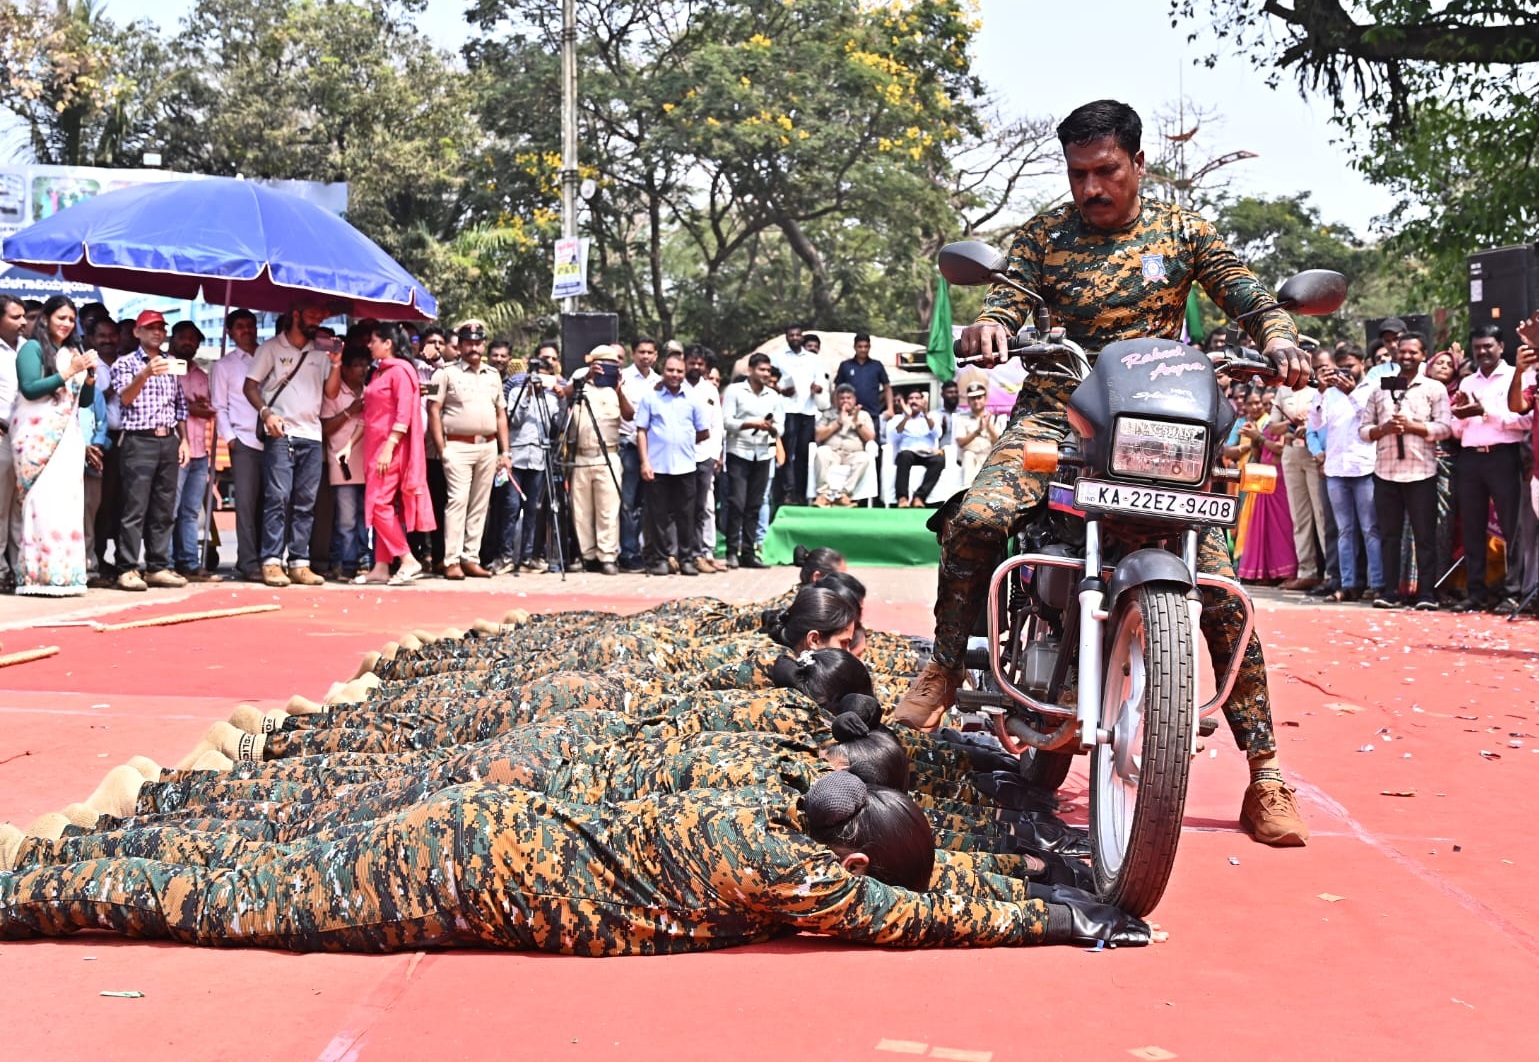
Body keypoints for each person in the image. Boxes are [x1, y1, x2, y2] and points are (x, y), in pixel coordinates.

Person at [896, 99, 1313, 847]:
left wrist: (1280, 337)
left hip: (1161, 420)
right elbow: (1008, 295)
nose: (1091, 188)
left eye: (1105, 172)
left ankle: (1267, 775)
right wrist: (992, 323)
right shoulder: (1044, 235)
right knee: (976, 519)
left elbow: (1247, 296)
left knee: (1218, 591)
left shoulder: (1181, 232)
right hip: (1059, 409)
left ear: (1137, 164)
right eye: (1078, 173)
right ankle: (942, 666)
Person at [244, 300, 339, 588]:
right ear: (295, 315)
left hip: (311, 433)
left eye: (319, 316)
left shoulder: (322, 351)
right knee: (278, 497)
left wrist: (335, 364)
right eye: (311, 314)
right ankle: (271, 561)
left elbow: (331, 393)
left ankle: (300, 562)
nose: (316, 320)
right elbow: (250, 386)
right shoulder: (271, 347)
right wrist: (266, 413)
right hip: (280, 432)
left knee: (305, 503)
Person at [10, 295, 96, 595]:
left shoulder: (72, 351)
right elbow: (31, 389)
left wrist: (89, 376)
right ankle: (37, 576)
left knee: (68, 504)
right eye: (61, 318)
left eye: (71, 320)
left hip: (68, 438)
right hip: (39, 438)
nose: (66, 324)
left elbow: (83, 402)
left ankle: (67, 575)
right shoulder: (32, 349)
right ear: (45, 318)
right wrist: (69, 372)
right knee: (42, 505)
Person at [1359, 332, 1451, 609]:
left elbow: (1445, 427)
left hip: (1421, 471)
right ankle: (1389, 592)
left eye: (1413, 352)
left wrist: (1415, 428)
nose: (1407, 356)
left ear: (1423, 355)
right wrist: (1381, 429)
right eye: (1403, 351)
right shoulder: (1380, 388)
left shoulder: (1435, 388)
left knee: (1424, 536)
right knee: (1389, 536)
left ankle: (1426, 594)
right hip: (1385, 471)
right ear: (1396, 354)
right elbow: (1363, 430)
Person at [1448, 325, 1531, 612]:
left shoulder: (1516, 376)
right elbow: (1457, 430)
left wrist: (1484, 413)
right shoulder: (1468, 382)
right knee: (1472, 527)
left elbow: (1524, 421)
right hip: (1471, 458)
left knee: (1512, 527)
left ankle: (1513, 592)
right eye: (1478, 347)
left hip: (1504, 455)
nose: (1482, 352)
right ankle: (1476, 592)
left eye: (1488, 346)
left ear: (1501, 345)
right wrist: (1461, 415)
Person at [110, 309, 190, 592]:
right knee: (135, 506)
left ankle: (158, 565)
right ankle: (128, 567)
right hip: (138, 440)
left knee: (164, 507)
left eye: (161, 328)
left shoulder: (172, 363)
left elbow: (180, 405)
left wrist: (185, 440)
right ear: (137, 332)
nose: (157, 332)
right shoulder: (124, 363)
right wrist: (144, 373)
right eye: (151, 328)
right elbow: (126, 399)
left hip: (167, 438)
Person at [427, 322, 508, 581]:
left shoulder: (493, 375)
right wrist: (442, 449)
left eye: (478, 343)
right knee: (457, 502)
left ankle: (471, 557)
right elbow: (433, 411)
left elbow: (501, 414)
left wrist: (504, 452)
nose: (474, 347)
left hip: (488, 444)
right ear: (460, 346)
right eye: (468, 343)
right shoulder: (444, 373)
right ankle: (451, 560)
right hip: (457, 446)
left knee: (479, 505)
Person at [357, 322, 431, 586]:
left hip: (390, 449)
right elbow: (368, 416)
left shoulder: (400, 371)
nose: (369, 345)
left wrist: (389, 447)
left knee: (379, 505)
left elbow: (404, 414)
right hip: (374, 448)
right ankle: (380, 566)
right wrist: (349, 445)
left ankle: (407, 558)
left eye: (374, 340)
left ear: (388, 343)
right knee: (381, 504)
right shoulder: (379, 373)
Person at [1309, 345, 1381, 603]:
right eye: (1341, 367)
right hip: (1336, 468)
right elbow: (1316, 424)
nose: (1345, 372)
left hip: (1364, 467)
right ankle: (1347, 584)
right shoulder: (1329, 393)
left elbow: (1370, 421)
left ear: (1362, 363)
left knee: (1371, 529)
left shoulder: (1372, 388)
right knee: (1344, 530)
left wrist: (1350, 393)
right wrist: (1320, 391)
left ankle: (1376, 584)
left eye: (1350, 366)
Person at [636, 350, 710, 576]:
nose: (675, 375)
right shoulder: (651, 398)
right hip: (657, 467)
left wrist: (681, 442)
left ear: (685, 372)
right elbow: (641, 431)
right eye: (670, 370)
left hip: (686, 467)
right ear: (663, 370)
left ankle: (686, 558)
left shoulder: (694, 399)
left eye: (679, 371)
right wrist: (645, 462)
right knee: (657, 516)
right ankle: (660, 559)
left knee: (686, 516)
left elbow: (703, 432)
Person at [565, 344, 629, 575]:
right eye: (602, 365)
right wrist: (587, 377)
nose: (606, 370)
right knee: (581, 511)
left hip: (608, 455)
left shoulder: (619, 386)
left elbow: (630, 414)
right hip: (581, 455)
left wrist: (619, 390)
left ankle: (608, 556)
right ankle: (585, 555)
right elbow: (564, 394)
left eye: (612, 365)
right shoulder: (581, 381)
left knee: (608, 510)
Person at [211, 310, 264, 582]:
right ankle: (248, 561)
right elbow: (219, 406)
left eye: (250, 325)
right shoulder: (224, 366)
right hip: (244, 440)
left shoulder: (269, 356)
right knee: (245, 504)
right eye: (240, 326)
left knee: (271, 504)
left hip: (274, 440)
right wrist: (230, 438)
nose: (247, 330)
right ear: (230, 332)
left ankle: (269, 559)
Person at [166, 322, 219, 582]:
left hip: (200, 450)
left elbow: (207, 406)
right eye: (183, 337)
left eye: (193, 339)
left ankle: (189, 563)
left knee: (190, 511)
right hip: (175, 447)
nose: (188, 342)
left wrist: (200, 407)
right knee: (170, 509)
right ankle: (164, 563)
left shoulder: (200, 374)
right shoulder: (165, 367)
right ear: (172, 339)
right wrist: (192, 407)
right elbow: (169, 403)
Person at [502, 353, 562, 574]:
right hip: (517, 457)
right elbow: (513, 421)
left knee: (533, 510)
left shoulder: (551, 399)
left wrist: (561, 396)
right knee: (510, 507)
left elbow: (557, 428)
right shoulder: (517, 392)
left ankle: (528, 556)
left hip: (538, 460)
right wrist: (528, 394)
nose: (540, 382)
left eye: (544, 378)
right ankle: (506, 555)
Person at [721, 352, 781, 569]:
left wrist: (770, 427)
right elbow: (726, 421)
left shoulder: (773, 396)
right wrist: (751, 424)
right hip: (739, 452)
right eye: (761, 369)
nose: (765, 374)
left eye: (768, 370)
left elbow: (781, 427)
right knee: (737, 503)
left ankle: (749, 552)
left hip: (763, 454)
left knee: (755, 505)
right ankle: (731, 550)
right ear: (750, 370)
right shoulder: (735, 391)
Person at [1276, 350, 1327, 591]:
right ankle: (1307, 571)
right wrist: (1290, 422)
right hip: (1291, 453)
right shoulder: (1283, 389)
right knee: (1300, 517)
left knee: (1322, 514)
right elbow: (1271, 427)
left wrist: (1310, 425)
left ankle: (1332, 573)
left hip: (1317, 454)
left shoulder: (1321, 389)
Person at [1235, 390, 1298, 583]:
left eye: (1270, 404)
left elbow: (1280, 449)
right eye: (1266, 404)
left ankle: (1287, 572)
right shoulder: (1266, 426)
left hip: (1281, 480)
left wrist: (1259, 437)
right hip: (1265, 479)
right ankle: (1268, 573)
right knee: (1265, 529)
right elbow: (1259, 453)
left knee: (1282, 528)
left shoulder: (1286, 424)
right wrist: (1254, 437)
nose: (1267, 407)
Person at [320, 347, 371, 581]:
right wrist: (350, 412)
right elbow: (325, 428)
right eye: (358, 365)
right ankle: (347, 563)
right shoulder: (334, 393)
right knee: (346, 519)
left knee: (365, 517)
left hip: (368, 461)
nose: (363, 370)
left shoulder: (371, 391)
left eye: (365, 365)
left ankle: (364, 560)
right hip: (343, 462)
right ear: (347, 368)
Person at [771, 324, 828, 506]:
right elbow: (771, 381)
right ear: (786, 337)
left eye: (797, 335)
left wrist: (817, 388)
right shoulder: (778, 357)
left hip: (807, 411)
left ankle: (801, 494)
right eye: (791, 335)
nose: (795, 338)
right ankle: (787, 493)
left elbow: (821, 381)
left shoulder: (814, 359)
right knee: (787, 453)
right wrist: (781, 389)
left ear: (802, 337)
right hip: (786, 409)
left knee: (803, 453)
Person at [617, 337, 658, 571]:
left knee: (645, 504)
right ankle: (628, 552)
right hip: (628, 447)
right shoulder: (624, 379)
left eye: (650, 352)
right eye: (641, 352)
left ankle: (643, 550)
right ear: (633, 354)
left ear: (656, 356)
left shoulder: (660, 382)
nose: (645, 356)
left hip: (653, 449)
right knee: (627, 504)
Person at [79, 316, 115, 586]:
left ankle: (91, 564)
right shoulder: (70, 379)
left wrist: (97, 445)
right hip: (65, 454)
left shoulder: (94, 385)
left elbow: (101, 420)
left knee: (92, 512)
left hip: (96, 456)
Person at [684, 345, 725, 571]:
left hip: (703, 456)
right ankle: (681, 553)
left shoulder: (709, 390)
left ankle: (701, 552)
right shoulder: (674, 386)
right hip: (678, 458)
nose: (696, 367)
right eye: (692, 363)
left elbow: (716, 425)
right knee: (679, 507)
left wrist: (715, 453)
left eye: (700, 364)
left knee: (702, 507)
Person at [812, 383, 875, 506]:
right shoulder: (828, 414)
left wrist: (858, 424)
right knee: (821, 452)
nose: (845, 401)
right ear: (836, 400)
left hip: (853, 454)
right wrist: (838, 423)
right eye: (842, 398)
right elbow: (818, 436)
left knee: (865, 458)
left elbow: (870, 438)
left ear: (854, 399)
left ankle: (844, 495)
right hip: (833, 453)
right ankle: (823, 495)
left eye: (848, 398)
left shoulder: (863, 415)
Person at [0, 296, 25, 592]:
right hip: (3, 434)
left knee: (22, 507)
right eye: (15, 317)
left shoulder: (27, 348)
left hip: (29, 439)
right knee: (1, 508)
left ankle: (20, 568)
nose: (22, 322)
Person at [889, 389, 944, 507]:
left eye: (917, 398)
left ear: (922, 400)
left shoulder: (930, 416)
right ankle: (902, 498)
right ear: (905, 402)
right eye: (911, 398)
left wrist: (926, 415)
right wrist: (906, 417)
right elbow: (895, 435)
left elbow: (938, 434)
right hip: (908, 453)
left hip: (926, 453)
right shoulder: (898, 418)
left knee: (939, 460)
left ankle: (919, 497)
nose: (914, 401)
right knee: (904, 456)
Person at [952, 381, 1003, 487]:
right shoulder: (962, 418)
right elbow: (960, 442)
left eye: (979, 397)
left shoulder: (994, 418)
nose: (976, 401)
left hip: (988, 456)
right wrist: (977, 431)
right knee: (968, 455)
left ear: (985, 398)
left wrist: (989, 428)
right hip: (971, 456)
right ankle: (967, 490)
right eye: (973, 398)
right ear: (968, 401)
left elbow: (1000, 444)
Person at [834, 332, 893, 423]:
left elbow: (887, 388)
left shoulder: (877, 365)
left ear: (869, 347)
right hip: (849, 414)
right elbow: (837, 389)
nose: (863, 349)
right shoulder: (845, 365)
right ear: (855, 347)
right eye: (860, 346)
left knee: (872, 437)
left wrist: (890, 408)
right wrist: (836, 409)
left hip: (872, 414)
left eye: (866, 346)